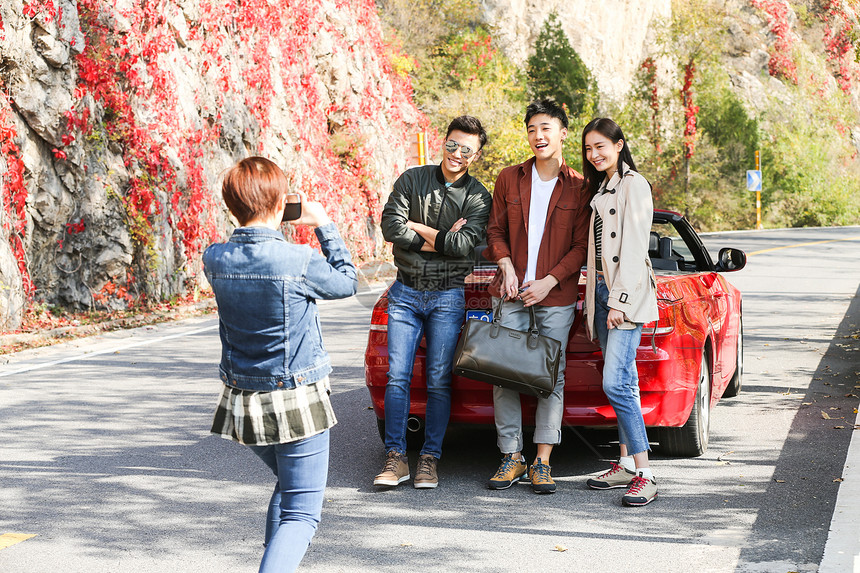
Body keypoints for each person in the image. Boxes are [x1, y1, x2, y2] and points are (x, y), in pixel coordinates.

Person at [203, 157, 357, 571]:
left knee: (289, 490)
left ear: (232, 204)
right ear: (278, 201)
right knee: (302, 514)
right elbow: (347, 282)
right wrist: (323, 223)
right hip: (296, 400)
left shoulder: (215, 258)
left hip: (242, 402)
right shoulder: (298, 260)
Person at [374, 115, 492, 489]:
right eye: (453, 145)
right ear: (444, 142)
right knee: (397, 378)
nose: (457, 154)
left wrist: (418, 229)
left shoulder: (478, 197)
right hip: (405, 292)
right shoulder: (412, 179)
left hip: (447, 295)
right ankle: (395, 458)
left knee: (440, 380)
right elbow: (391, 227)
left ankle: (429, 459)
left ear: (475, 155)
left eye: (467, 150)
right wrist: (440, 235)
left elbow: (463, 247)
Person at [484, 99, 590, 494]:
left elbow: (581, 246)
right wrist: (507, 265)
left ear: (563, 132)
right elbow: (495, 231)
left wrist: (548, 281)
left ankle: (542, 461)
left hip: (555, 298)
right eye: (531, 129)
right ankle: (511, 456)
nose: (538, 136)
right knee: (502, 374)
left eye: (546, 128)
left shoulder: (580, 186)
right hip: (509, 293)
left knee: (552, 377)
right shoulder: (509, 179)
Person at [580, 118, 660, 506]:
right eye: (589, 148)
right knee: (623, 381)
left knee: (615, 384)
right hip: (602, 292)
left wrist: (618, 301)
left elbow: (633, 248)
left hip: (623, 296)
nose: (595, 155)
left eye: (601, 147)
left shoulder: (634, 184)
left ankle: (646, 473)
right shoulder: (602, 187)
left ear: (619, 145)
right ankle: (626, 463)